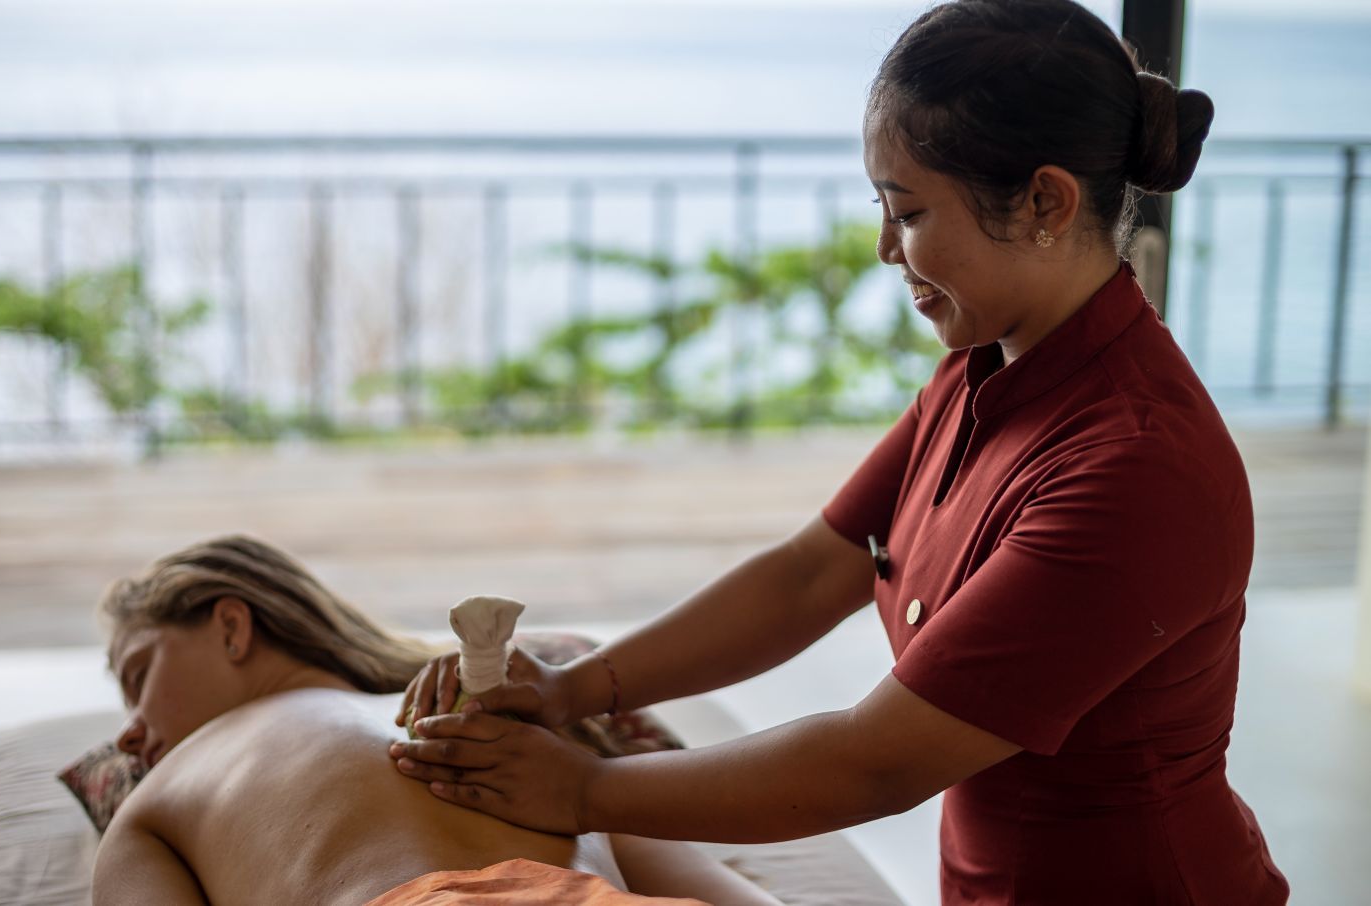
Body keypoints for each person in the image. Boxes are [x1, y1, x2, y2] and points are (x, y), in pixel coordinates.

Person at [389, 1, 1291, 903]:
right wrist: (570, 689)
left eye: (907, 211)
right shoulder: (985, 369)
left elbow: (874, 762)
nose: (883, 249)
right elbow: (811, 572)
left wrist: (582, 786)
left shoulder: (1137, 472)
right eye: (881, 208)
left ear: (1045, 201)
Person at [91, 535, 779, 905]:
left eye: (137, 677)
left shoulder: (158, 800)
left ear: (232, 627)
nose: (127, 736)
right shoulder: (535, 749)